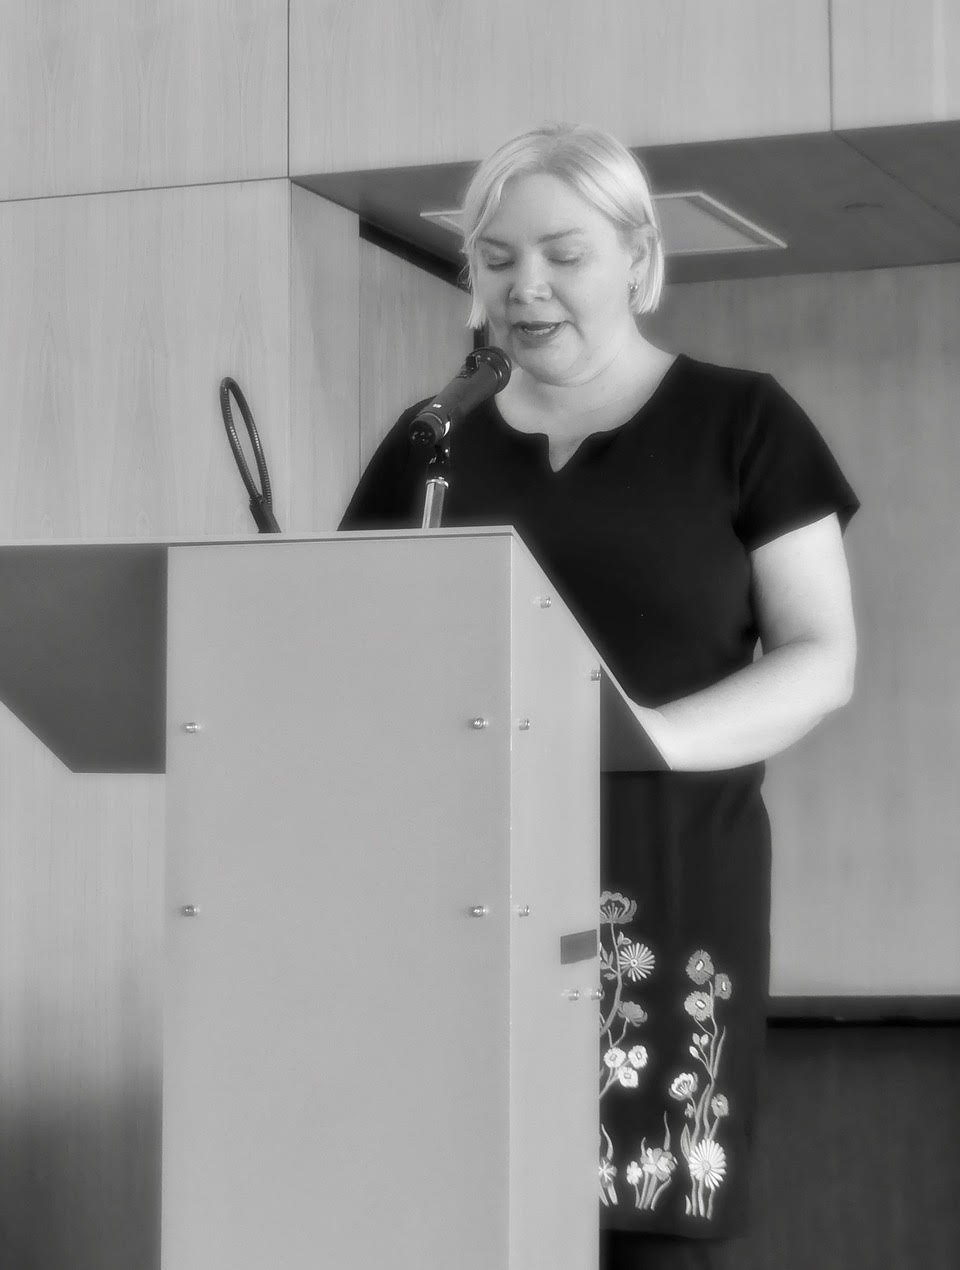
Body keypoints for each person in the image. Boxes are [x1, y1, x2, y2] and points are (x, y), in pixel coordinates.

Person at [339, 122, 859, 1269]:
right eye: (494, 256)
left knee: (642, 1236)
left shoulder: (744, 421)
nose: (526, 287)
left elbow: (822, 654)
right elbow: (359, 651)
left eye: (563, 253)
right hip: (455, 894)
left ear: (638, 255)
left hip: (665, 878)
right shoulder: (428, 445)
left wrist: (654, 733)